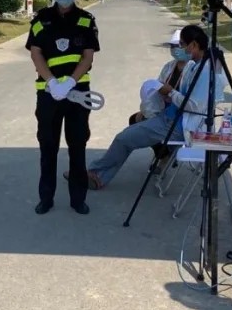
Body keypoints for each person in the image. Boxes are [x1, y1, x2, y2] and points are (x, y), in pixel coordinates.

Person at [83, 24, 221, 189]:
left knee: (123, 139)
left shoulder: (204, 71)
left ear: (194, 45)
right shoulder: (193, 66)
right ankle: (98, 174)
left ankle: (96, 174)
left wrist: (170, 92)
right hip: (168, 117)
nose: (180, 48)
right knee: (130, 129)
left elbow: (194, 106)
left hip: (177, 125)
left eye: (182, 44)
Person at [26, 0, 99, 215]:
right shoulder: (41, 19)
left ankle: (78, 199)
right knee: (48, 147)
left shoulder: (86, 20)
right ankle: (46, 198)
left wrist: (70, 82)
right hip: (49, 95)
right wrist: (52, 82)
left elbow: (87, 56)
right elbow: (36, 53)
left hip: (77, 95)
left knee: (77, 146)